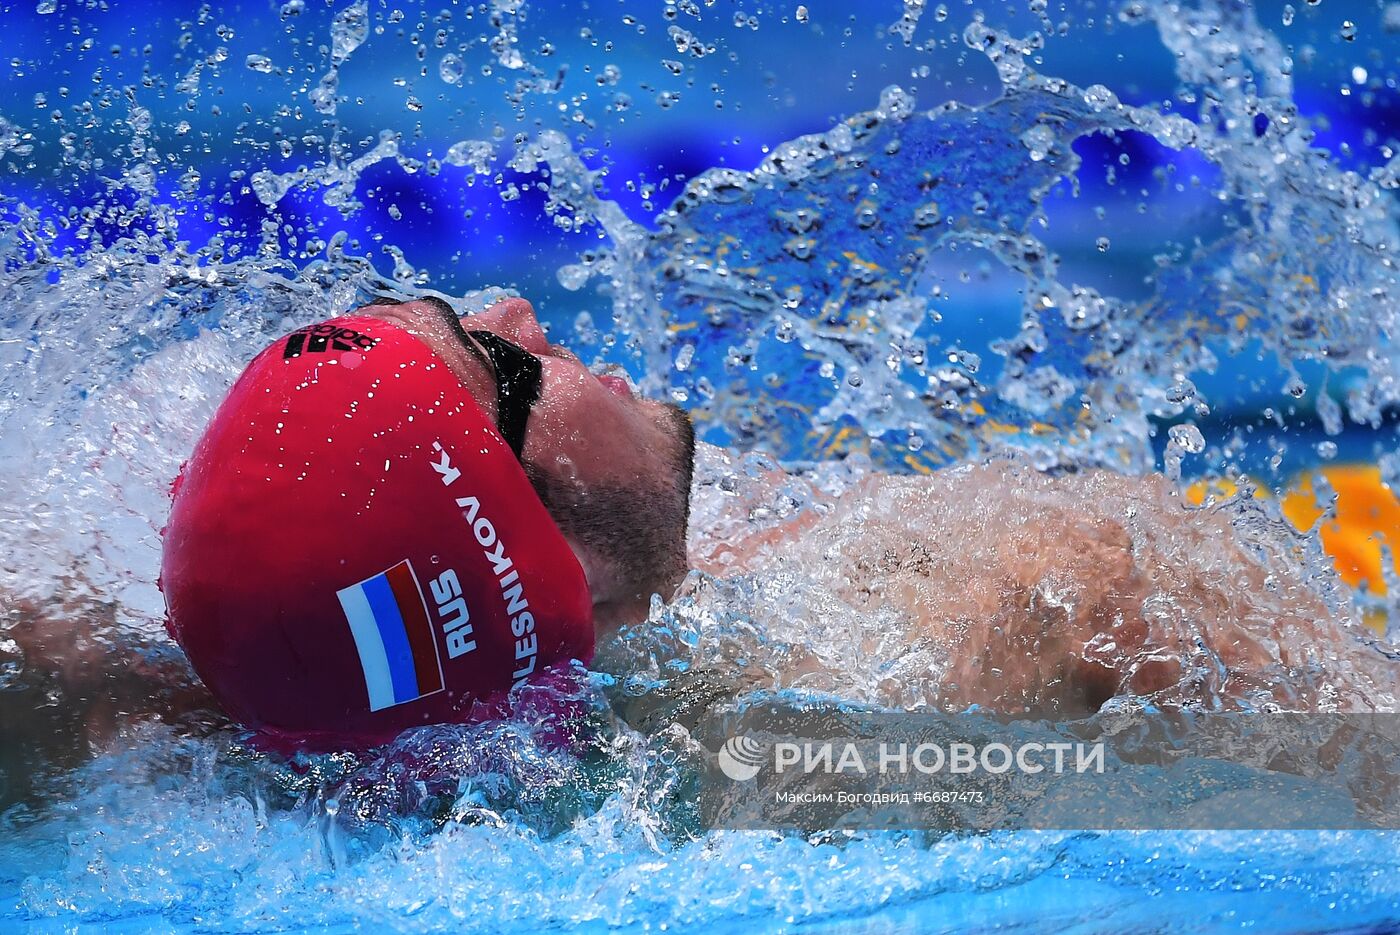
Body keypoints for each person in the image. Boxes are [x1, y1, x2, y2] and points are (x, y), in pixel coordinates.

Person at [9, 293, 1396, 765]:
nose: (516, 311)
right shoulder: (1018, 602)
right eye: (497, 371)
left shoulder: (252, 722)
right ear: (531, 543)